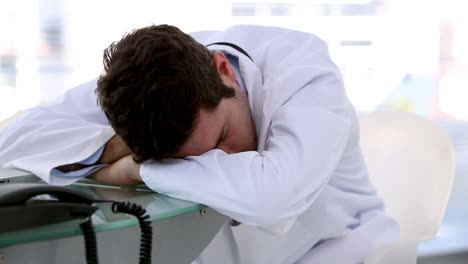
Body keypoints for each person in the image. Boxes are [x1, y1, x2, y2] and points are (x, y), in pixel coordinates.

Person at [0, 24, 398, 263]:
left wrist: (138, 169)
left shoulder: (304, 70)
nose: (223, 162)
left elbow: (273, 195)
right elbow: (12, 140)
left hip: (341, 250)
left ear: (222, 69)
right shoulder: (148, 87)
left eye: (222, 136)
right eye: (192, 160)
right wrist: (108, 150)